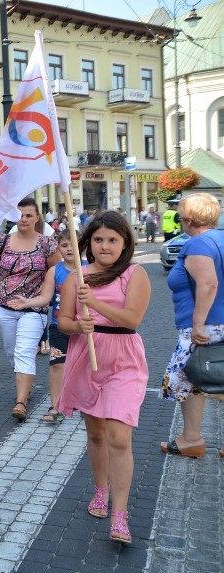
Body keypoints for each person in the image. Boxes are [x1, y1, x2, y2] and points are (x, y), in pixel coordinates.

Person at [56, 211, 151, 545]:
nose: (105, 246)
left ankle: (121, 515)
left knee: (119, 437)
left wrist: (96, 304)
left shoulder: (134, 274)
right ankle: (101, 489)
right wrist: (76, 325)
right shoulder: (76, 277)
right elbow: (63, 321)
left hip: (124, 359)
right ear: (89, 243)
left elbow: (133, 318)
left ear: (125, 243)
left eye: (112, 240)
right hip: (87, 357)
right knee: (96, 433)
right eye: (98, 240)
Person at [0, 197, 61, 421]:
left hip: (34, 308)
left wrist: (49, 295)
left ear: (37, 217)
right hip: (3, 306)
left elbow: (58, 269)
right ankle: (26, 383)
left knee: (24, 351)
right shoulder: (3, 241)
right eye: (19, 215)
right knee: (11, 352)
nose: (23, 219)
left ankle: (21, 402)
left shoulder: (46, 244)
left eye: (28, 215)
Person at [161, 193, 224, 459]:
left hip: (204, 326)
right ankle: (191, 439)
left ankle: (191, 439)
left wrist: (198, 325)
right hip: (219, 322)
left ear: (186, 219)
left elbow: (208, 284)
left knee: (189, 379)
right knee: (213, 380)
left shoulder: (197, 244)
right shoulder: (220, 238)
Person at [7, 229, 84, 422]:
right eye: (64, 245)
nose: (69, 249)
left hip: (85, 327)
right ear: (58, 248)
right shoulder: (54, 271)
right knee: (57, 365)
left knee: (87, 366)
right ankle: (56, 405)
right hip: (60, 326)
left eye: (73, 245)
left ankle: (88, 404)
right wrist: (27, 302)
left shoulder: (90, 268)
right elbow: (45, 297)